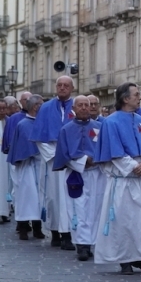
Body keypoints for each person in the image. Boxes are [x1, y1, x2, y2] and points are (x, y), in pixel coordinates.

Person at [93, 82, 141, 275]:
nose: (140, 97)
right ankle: (124, 259)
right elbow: (113, 152)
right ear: (125, 98)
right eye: (136, 94)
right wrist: (133, 166)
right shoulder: (111, 122)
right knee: (125, 221)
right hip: (124, 180)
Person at [53, 96, 105, 261]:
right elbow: (63, 155)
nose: (84, 108)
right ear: (74, 108)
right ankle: (82, 244)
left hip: (97, 174)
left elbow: (106, 149)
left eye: (86, 105)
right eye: (80, 105)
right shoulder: (66, 130)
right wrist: (83, 161)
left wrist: (95, 160)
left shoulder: (100, 127)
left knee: (95, 209)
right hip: (77, 175)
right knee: (79, 210)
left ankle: (93, 242)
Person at [30, 76, 77, 249]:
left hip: (73, 161)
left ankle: (69, 233)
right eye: (59, 85)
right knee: (53, 198)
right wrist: (56, 156)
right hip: (52, 161)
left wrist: (72, 158)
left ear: (72, 88)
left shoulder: (78, 106)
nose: (62, 88)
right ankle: (55, 232)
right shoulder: (46, 108)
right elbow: (40, 138)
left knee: (69, 198)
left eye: (66, 85)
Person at [8, 95, 45, 240]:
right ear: (35, 106)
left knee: (39, 198)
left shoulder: (43, 123)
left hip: (40, 165)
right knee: (25, 197)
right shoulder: (23, 125)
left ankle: (37, 228)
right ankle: (23, 227)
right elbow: (20, 146)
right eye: (41, 104)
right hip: (26, 166)